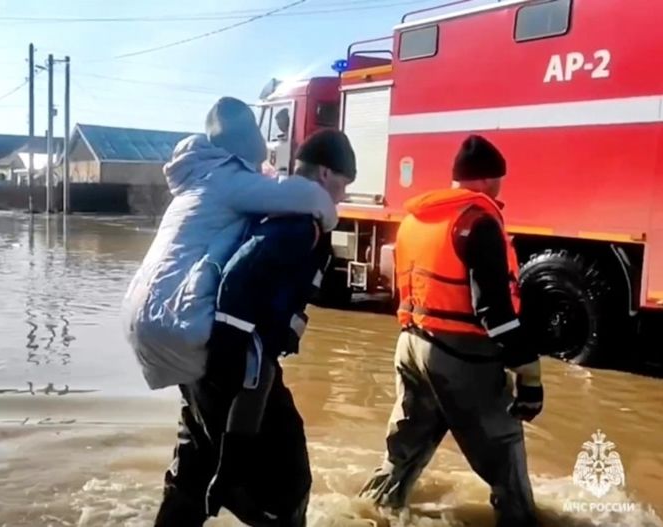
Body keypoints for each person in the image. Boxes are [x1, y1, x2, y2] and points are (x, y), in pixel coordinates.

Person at [154, 129, 357, 526]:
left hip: (202, 356)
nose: (344, 195)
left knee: (194, 471)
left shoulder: (267, 207)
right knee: (288, 484)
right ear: (325, 175)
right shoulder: (299, 223)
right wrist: (231, 364)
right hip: (236, 365)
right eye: (344, 184)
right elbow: (239, 280)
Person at [358, 135, 542, 527]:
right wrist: (530, 374)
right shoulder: (478, 223)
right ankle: (521, 521)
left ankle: (366, 515)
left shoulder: (415, 220)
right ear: (492, 180)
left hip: (411, 342)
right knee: (503, 452)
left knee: (402, 453)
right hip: (460, 354)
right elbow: (494, 310)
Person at [122, 97, 338, 393]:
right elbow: (312, 199)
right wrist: (327, 222)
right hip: (181, 326)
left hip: (143, 321)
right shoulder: (227, 179)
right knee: (266, 426)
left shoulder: (195, 181)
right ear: (249, 148)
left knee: (199, 423)